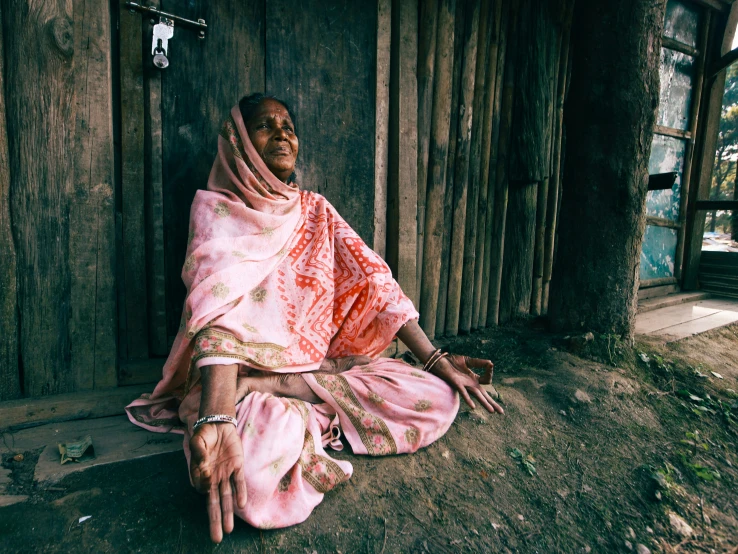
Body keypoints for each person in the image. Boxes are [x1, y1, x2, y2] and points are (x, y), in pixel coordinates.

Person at [126, 93, 503, 543]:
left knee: (438, 396)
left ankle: (294, 400)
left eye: (288, 125)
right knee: (254, 486)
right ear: (239, 143)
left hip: (312, 373)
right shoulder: (216, 211)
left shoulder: (316, 210)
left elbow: (375, 283)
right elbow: (217, 321)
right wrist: (216, 418)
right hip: (233, 385)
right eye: (265, 126)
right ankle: (290, 408)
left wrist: (435, 357)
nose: (283, 132)